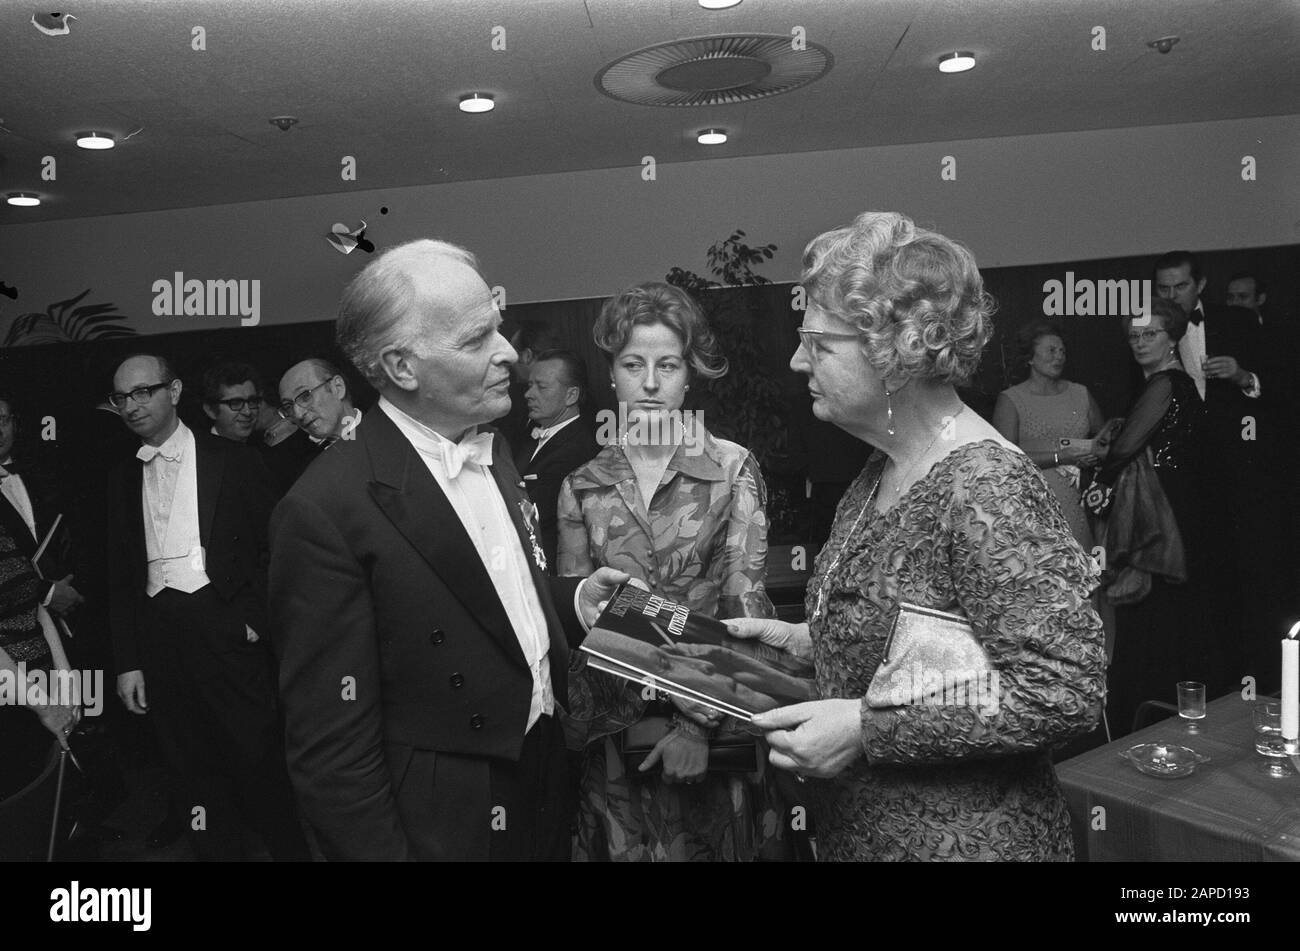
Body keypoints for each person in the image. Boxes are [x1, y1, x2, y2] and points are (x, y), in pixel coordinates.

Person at [727, 211, 1105, 862]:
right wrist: (810, 644)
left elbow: (1064, 691)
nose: (797, 360)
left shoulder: (985, 486)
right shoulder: (880, 468)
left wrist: (866, 730)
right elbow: (932, 643)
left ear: (895, 349)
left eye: (818, 343)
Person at [269, 239, 627, 861]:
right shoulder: (324, 509)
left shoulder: (498, 449)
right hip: (446, 814)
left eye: (498, 327)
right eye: (475, 340)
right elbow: (332, 752)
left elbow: (490, 600)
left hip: (543, 766)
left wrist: (570, 601)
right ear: (402, 368)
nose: (509, 353)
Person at [557, 281, 789, 862]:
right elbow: (581, 630)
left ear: (691, 375)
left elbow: (747, 612)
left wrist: (696, 728)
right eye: (634, 364)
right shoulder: (582, 486)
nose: (652, 383)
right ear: (612, 375)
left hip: (720, 735)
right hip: (620, 748)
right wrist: (660, 692)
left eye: (669, 364)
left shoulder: (732, 469)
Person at [106, 353, 309, 860]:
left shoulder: (234, 460)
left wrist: (254, 623)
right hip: (159, 642)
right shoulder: (119, 478)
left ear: (173, 392)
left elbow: (277, 549)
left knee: (257, 761)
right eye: (121, 398)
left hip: (226, 634)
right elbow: (118, 578)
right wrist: (129, 660)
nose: (131, 406)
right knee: (188, 768)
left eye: (142, 392)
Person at [1082, 297, 1217, 735]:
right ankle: (1169, 720)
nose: (1140, 342)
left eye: (1150, 334)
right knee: (1165, 618)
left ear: (1172, 336)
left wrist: (1101, 460)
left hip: (1162, 515)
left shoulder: (1164, 384)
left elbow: (1123, 450)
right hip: (1179, 510)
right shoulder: (1174, 385)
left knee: (1152, 618)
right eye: (1134, 336)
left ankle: (1143, 723)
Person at [1154, 250, 1288, 692]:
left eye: (1181, 287)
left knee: (1250, 576)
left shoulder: (1240, 323)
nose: (1173, 295)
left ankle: (1259, 679)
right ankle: (1205, 682)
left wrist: (1242, 374)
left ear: (1201, 286)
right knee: (1197, 582)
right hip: (1184, 478)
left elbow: (1280, 385)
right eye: (1165, 289)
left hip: (1243, 474)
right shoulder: (1149, 330)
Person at [993, 321, 1109, 552]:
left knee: (1084, 574)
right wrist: (1061, 457)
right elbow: (1004, 460)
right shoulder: (1011, 400)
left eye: (1062, 351)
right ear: (1030, 358)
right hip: (1034, 505)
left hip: (1082, 502)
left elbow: (1106, 441)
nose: (1059, 357)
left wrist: (1095, 456)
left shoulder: (1081, 393)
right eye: (1051, 351)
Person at [514, 349, 599, 571]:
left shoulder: (580, 450)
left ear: (571, 395)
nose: (528, 394)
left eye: (541, 387)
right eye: (529, 385)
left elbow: (533, 513)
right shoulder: (529, 433)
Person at [277, 358, 361, 447]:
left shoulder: (375, 420)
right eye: (289, 407)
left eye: (305, 396)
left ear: (337, 387)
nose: (298, 414)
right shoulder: (314, 459)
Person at [201, 360, 263, 444]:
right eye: (235, 403)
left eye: (252, 401)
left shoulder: (266, 449)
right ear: (210, 410)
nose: (247, 412)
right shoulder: (195, 452)